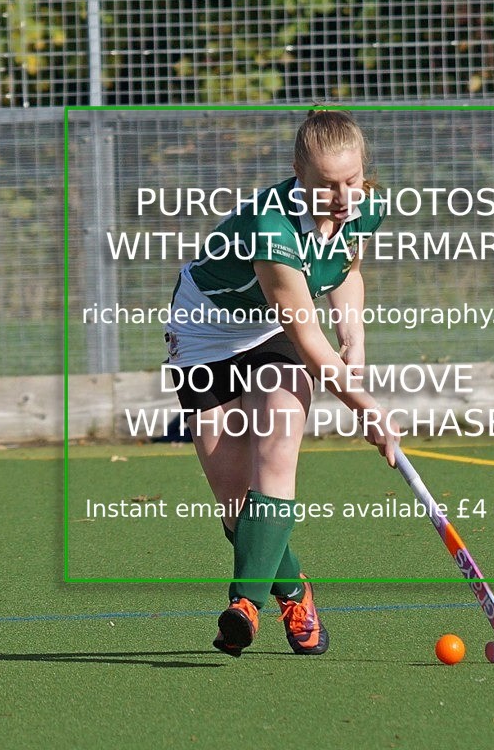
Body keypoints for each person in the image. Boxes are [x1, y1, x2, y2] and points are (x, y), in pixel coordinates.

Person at [165, 108, 399, 657]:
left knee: (276, 454)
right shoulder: (273, 227)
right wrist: (363, 404)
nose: (342, 199)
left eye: (352, 181)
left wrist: (356, 338)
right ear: (298, 172)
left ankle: (244, 606)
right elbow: (307, 334)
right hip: (207, 334)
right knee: (234, 505)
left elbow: (345, 271)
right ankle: (293, 589)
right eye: (326, 186)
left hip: (271, 334)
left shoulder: (365, 206)